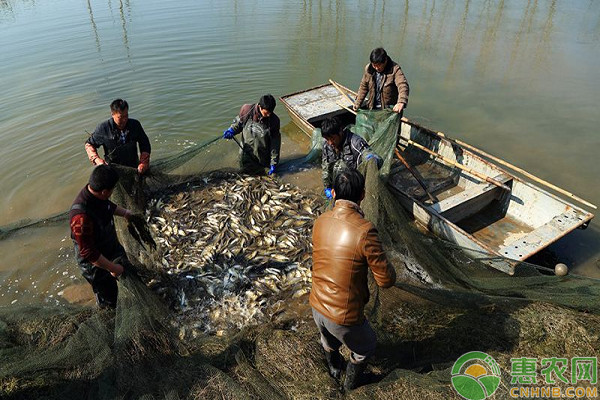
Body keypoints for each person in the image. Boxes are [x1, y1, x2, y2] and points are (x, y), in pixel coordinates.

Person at [310, 169, 397, 391]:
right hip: (343, 317)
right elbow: (385, 280)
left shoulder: (320, 220)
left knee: (328, 341)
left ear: (333, 193)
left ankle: (334, 369)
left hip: (316, 305)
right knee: (366, 347)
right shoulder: (365, 231)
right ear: (363, 195)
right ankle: (350, 386)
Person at [70, 165, 134, 309]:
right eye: (112, 190)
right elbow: (89, 253)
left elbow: (107, 206)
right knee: (109, 299)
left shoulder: (95, 193)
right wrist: (113, 268)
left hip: (110, 247)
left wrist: (125, 213)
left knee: (129, 275)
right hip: (95, 264)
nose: (112, 193)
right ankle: (110, 316)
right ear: (105, 191)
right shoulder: (81, 218)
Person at [321, 116, 381, 199]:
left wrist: (371, 158)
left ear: (340, 132)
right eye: (327, 139)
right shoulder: (326, 145)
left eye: (333, 138)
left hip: (353, 185)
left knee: (341, 166)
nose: (330, 143)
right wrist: (327, 187)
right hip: (338, 185)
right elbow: (326, 168)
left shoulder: (356, 142)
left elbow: (367, 153)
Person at [85, 99, 152, 174]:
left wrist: (143, 162)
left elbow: (145, 144)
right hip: (112, 169)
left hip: (134, 166)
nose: (124, 120)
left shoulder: (135, 125)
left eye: (126, 116)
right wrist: (97, 160)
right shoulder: (103, 128)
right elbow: (89, 144)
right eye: (120, 117)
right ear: (112, 114)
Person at [222, 94, 281, 175]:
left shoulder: (274, 121)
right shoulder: (247, 110)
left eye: (271, 113)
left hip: (262, 158)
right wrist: (231, 130)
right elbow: (238, 124)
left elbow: (275, 144)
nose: (269, 115)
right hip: (245, 153)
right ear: (260, 107)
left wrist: (274, 162)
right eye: (266, 113)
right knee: (244, 174)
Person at [354, 47, 409, 115]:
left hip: (389, 111)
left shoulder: (395, 70)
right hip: (373, 108)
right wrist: (358, 103)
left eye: (379, 65)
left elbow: (403, 85)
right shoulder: (369, 69)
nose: (376, 68)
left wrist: (401, 102)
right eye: (374, 65)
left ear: (385, 61)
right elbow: (363, 87)